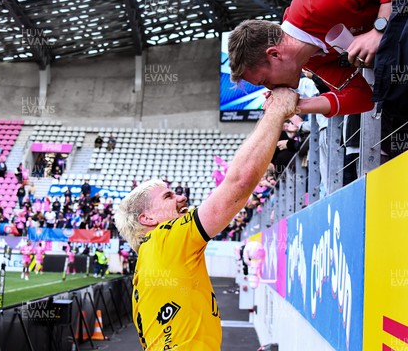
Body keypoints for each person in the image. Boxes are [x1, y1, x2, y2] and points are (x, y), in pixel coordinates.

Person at [114, 87, 298, 350]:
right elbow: (240, 182)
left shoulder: (148, 265)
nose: (181, 198)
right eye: (168, 197)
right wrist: (277, 111)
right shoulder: (166, 239)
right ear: (147, 218)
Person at [228, 0, 408, 117]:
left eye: (265, 81)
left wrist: (379, 29)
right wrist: (297, 105)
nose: (269, 88)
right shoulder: (311, 59)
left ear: (275, 54)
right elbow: (363, 97)